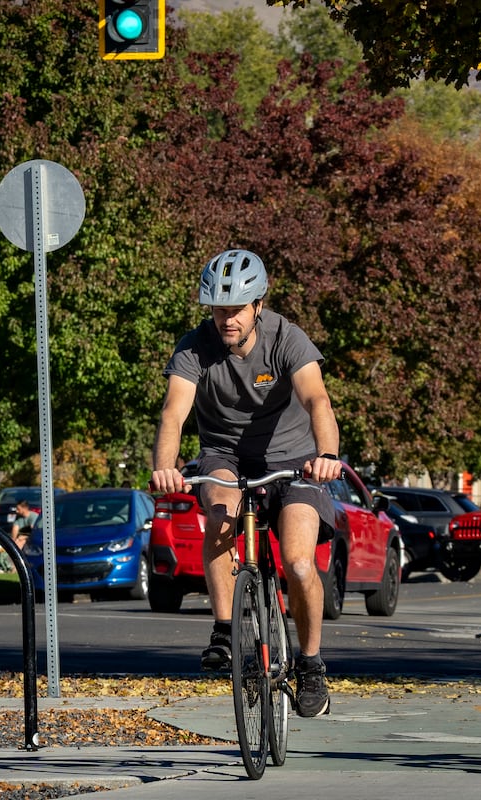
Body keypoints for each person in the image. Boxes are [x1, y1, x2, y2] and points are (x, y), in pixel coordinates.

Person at [150, 248, 343, 719]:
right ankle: (223, 629)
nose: (226, 319)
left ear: (258, 304)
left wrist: (328, 456)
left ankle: (311, 663)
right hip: (224, 456)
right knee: (218, 515)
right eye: (218, 309)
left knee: (299, 563)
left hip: (295, 461)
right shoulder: (194, 347)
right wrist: (165, 465)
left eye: (235, 309)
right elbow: (174, 412)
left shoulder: (286, 338)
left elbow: (317, 399)